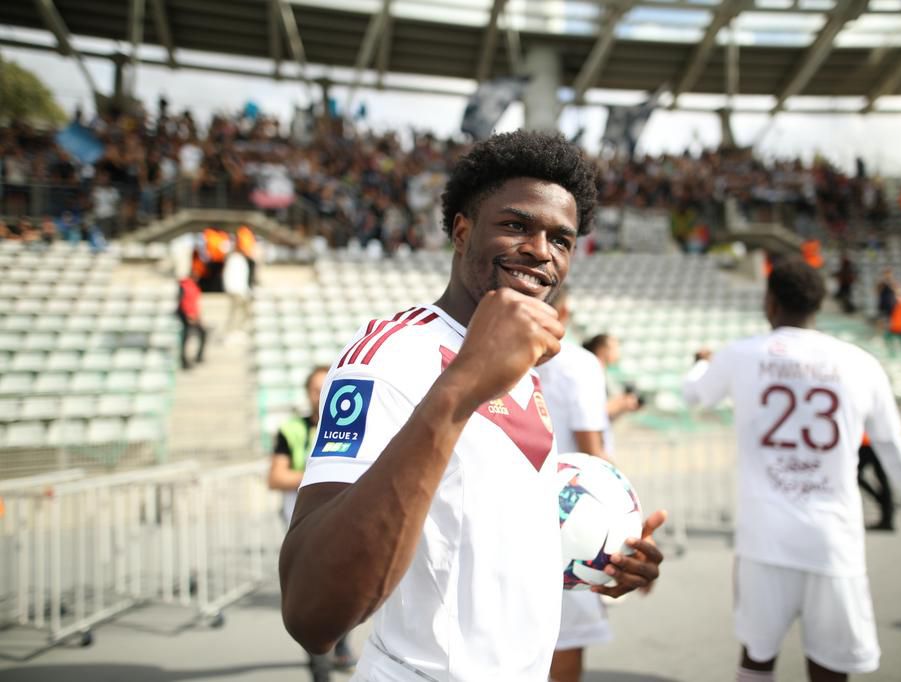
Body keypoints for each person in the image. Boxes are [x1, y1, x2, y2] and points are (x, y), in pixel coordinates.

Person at [278, 130, 666, 682]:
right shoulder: (391, 354)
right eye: (515, 225)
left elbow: (468, 543)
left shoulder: (526, 368)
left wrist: (600, 556)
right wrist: (458, 390)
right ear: (462, 230)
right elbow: (311, 611)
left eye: (562, 239)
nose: (540, 249)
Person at [681, 258, 901, 682]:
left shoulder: (740, 355)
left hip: (763, 542)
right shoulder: (858, 362)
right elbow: (897, 453)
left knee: (756, 659)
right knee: (831, 667)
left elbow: (694, 396)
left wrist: (701, 362)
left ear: (770, 302)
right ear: (819, 305)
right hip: (833, 542)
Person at [536, 288, 614, 682]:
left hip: (508, 514)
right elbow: (593, 453)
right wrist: (621, 532)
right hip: (568, 516)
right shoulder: (579, 364)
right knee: (565, 640)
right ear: (564, 309)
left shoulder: (483, 352)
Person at [268, 366, 357, 681]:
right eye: (314, 390)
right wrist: (322, 477)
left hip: (348, 523)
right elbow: (276, 477)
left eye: (326, 388)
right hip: (304, 527)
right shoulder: (292, 429)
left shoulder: (355, 425)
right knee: (317, 596)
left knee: (347, 592)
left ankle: (341, 644)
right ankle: (321, 666)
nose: (320, 396)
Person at [857, 435, 894, 531]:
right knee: (882, 479)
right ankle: (887, 517)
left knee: (854, 474)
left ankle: (884, 506)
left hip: (867, 443)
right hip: (879, 441)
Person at [176, 271, 206, 369]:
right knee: (187, 338)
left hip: (190, 315)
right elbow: (186, 302)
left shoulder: (187, 285)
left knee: (192, 337)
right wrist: (190, 315)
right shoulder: (187, 286)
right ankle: (187, 360)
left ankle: (195, 358)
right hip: (188, 316)